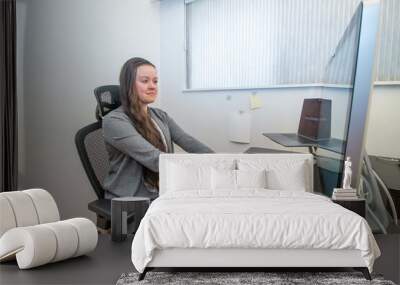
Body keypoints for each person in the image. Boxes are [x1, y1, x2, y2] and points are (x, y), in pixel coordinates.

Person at [102, 57, 214, 199]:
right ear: (128, 85)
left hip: (160, 191)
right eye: (144, 81)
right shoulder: (114, 121)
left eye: (155, 81)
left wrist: (219, 160)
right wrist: (202, 168)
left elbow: (188, 141)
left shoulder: (160, 115)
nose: (152, 86)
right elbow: (155, 159)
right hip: (131, 199)